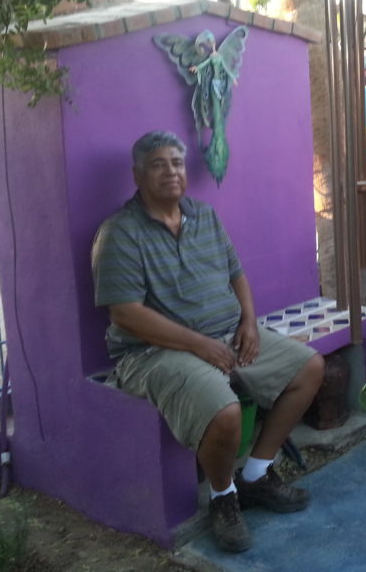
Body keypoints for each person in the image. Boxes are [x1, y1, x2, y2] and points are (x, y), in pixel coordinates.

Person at [91, 131, 325, 554]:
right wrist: (200, 345)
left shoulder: (204, 216)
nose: (171, 172)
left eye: (177, 163)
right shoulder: (120, 233)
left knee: (308, 368)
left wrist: (249, 322)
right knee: (225, 412)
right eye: (158, 164)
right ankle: (223, 496)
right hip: (154, 352)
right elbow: (125, 313)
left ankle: (255, 475)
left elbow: (237, 274)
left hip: (227, 334)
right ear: (137, 175)